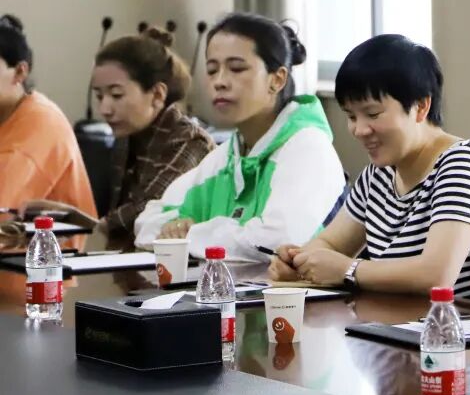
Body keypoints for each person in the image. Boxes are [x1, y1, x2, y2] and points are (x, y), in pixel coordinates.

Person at [269, 34, 470, 298]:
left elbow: (437, 276)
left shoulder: (464, 164)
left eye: (373, 114)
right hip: (402, 321)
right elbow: (330, 243)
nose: (359, 130)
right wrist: (298, 261)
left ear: (421, 106)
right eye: (351, 116)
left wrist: (348, 270)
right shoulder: (378, 175)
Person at [134, 13, 344, 261]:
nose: (220, 82)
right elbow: (146, 222)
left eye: (236, 68)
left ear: (277, 79)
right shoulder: (228, 155)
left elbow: (276, 242)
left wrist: (189, 235)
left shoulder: (308, 147)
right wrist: (178, 230)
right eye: (212, 70)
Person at [91, 26, 214, 237]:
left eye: (117, 95)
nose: (105, 109)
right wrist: (69, 215)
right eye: (99, 96)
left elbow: (147, 213)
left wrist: (91, 225)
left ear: (157, 94)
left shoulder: (189, 141)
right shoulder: (127, 135)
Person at [0, 14, 95, 216]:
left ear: (20, 72)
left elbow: (3, 211)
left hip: (49, 238)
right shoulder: (8, 112)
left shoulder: (39, 123)